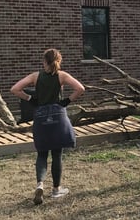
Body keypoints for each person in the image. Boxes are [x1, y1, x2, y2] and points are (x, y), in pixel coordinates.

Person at [10, 48, 85, 205]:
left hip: (41, 117)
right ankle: (56, 189)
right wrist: (66, 101)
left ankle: (40, 184)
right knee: (57, 154)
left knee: (42, 154)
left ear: (45, 61)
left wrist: (29, 98)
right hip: (58, 116)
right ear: (59, 60)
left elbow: (15, 89)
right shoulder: (62, 75)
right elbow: (80, 88)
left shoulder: (35, 76)